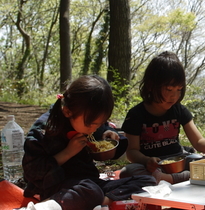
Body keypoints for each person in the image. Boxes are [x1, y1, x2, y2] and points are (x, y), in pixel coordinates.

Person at [22, 75, 157, 210]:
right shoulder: (45, 130)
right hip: (57, 187)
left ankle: (99, 202)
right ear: (68, 111)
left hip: (90, 185)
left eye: (99, 124)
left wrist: (110, 135)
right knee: (90, 190)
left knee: (147, 181)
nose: (95, 129)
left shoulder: (88, 120)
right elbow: (30, 171)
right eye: (92, 124)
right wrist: (67, 153)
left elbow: (102, 129)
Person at [120, 51, 205, 184]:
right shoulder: (136, 114)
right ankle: (184, 177)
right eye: (169, 90)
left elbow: (198, 142)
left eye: (179, 90)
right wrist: (146, 161)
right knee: (129, 171)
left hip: (179, 160)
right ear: (151, 85)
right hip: (154, 166)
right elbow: (132, 152)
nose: (174, 96)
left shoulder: (179, 110)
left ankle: (171, 179)